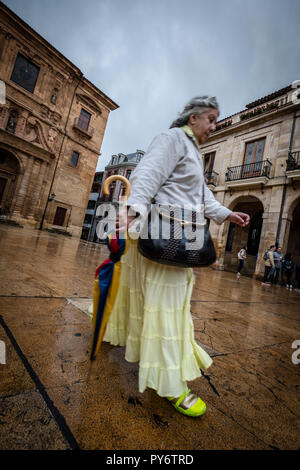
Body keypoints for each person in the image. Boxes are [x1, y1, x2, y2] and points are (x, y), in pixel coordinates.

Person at [104, 96, 250, 418]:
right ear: (193, 117)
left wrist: (228, 215)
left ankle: (133, 343)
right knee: (168, 310)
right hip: (165, 233)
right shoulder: (172, 139)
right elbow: (146, 176)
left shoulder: (194, 154)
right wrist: (132, 212)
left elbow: (204, 198)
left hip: (182, 237)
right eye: (211, 119)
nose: (214, 126)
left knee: (164, 305)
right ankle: (171, 384)